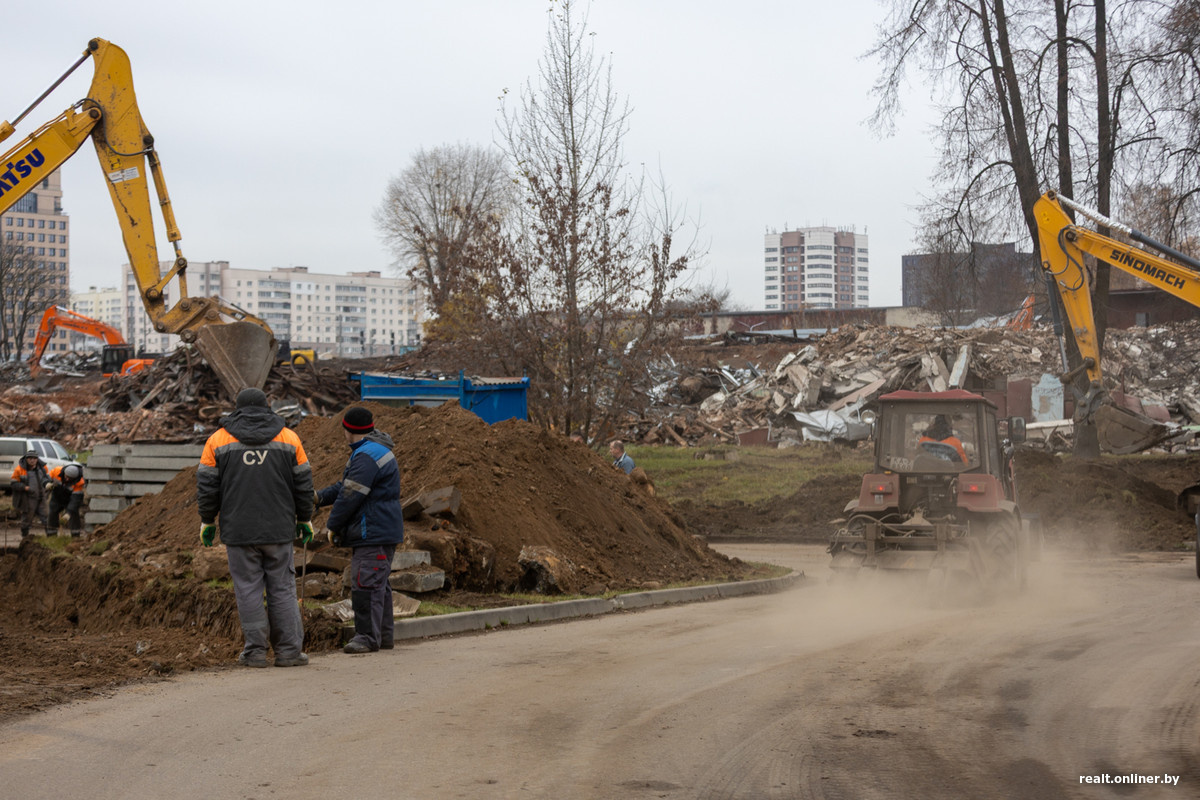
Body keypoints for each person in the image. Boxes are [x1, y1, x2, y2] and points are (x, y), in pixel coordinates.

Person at [196, 387, 315, 668]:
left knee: (248, 589)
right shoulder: (289, 437)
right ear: (267, 407)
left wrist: (206, 520)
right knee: (283, 588)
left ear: (237, 408)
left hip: (238, 530)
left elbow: (207, 486)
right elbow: (303, 483)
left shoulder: (217, 439)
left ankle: (255, 653)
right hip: (279, 528)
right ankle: (288, 652)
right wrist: (305, 517)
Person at [316, 406, 404, 654]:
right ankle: (383, 636)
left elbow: (350, 494)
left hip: (372, 531)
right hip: (383, 528)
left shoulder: (366, 456)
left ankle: (366, 637)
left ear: (347, 430)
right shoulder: (372, 450)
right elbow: (344, 486)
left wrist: (332, 526)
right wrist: (318, 498)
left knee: (365, 584)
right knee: (378, 584)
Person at [10, 450, 49, 538]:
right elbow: (13, 483)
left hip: (42, 498)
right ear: (26, 459)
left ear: (37, 459)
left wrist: (48, 485)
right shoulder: (19, 469)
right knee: (27, 518)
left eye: (34, 458)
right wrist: (24, 487)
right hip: (28, 499)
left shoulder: (43, 468)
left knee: (46, 517)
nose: (32, 460)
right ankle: (25, 538)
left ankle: (51, 538)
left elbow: (47, 478)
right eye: (30, 458)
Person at [45, 462, 85, 538]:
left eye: (70, 478)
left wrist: (68, 513)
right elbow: (46, 478)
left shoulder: (79, 482)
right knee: (52, 513)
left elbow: (75, 500)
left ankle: (75, 536)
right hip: (57, 497)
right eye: (66, 476)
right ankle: (51, 536)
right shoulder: (57, 471)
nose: (67, 479)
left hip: (70, 500)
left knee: (73, 514)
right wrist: (46, 483)